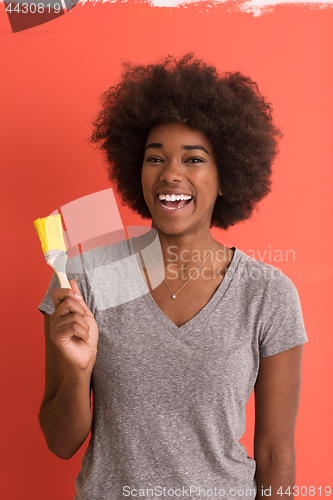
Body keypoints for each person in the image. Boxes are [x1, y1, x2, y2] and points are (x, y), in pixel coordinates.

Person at [37, 53, 308, 500]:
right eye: (155, 158)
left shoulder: (265, 294)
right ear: (136, 170)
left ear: (226, 177)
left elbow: (277, 452)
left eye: (194, 159)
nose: (171, 174)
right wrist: (78, 367)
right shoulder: (87, 279)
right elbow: (61, 442)